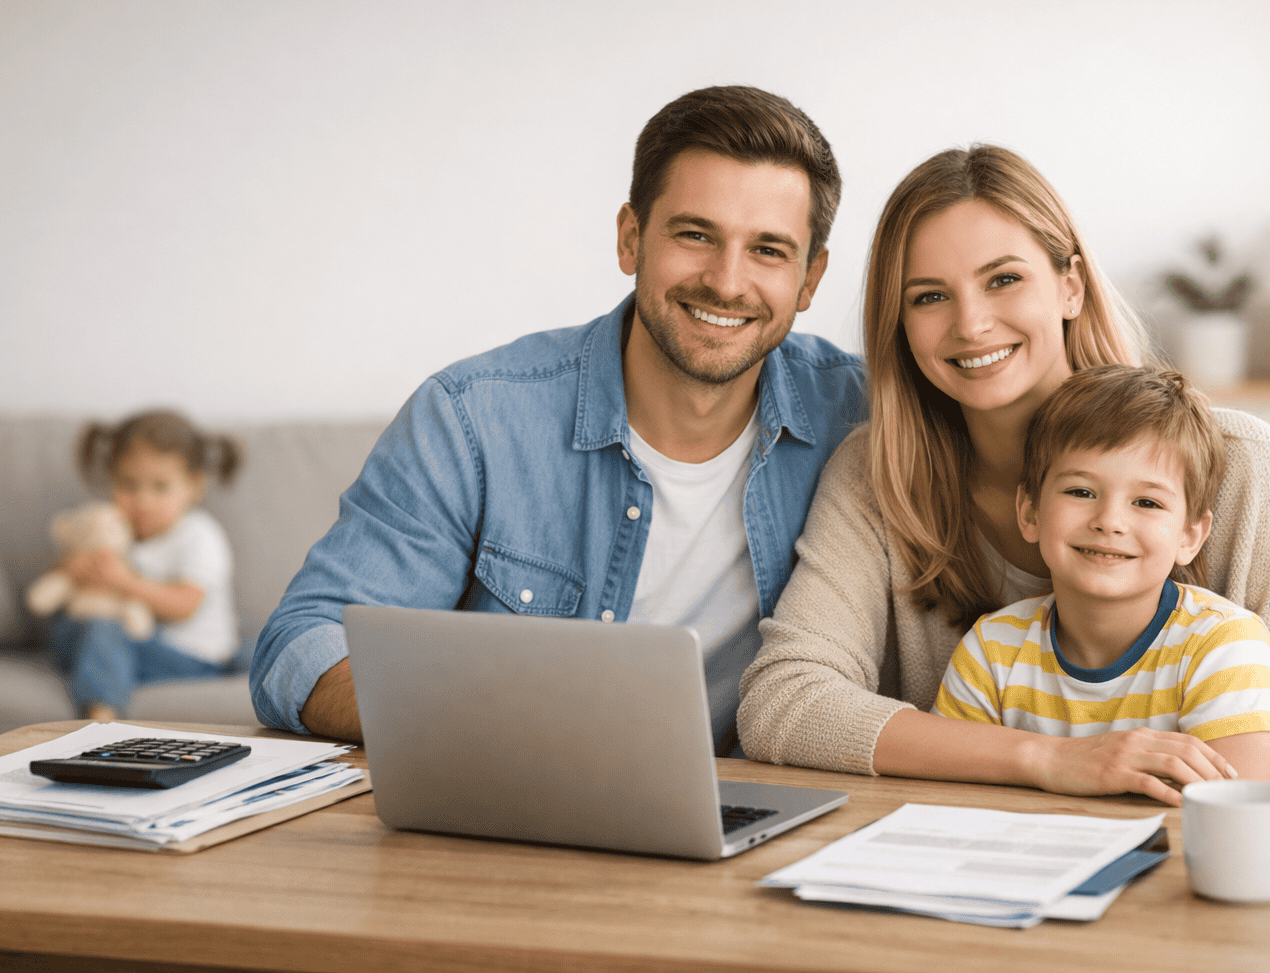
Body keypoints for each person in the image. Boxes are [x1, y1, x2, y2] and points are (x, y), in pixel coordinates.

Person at [738, 144, 1270, 803]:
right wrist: (1053, 759)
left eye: (1003, 280)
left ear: (1070, 286)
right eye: (930, 296)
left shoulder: (1239, 463)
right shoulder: (873, 476)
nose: (971, 324)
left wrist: (1149, 763)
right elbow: (784, 701)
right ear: (901, 324)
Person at [250, 86, 866, 752]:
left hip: (761, 813)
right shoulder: (473, 418)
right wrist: (511, 726)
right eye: (695, 235)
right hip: (519, 800)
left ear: (810, 280)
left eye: (768, 251)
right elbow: (304, 647)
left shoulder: (864, 419)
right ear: (631, 239)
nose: (725, 281)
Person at [933, 365, 1270, 782]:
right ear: (1029, 512)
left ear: (1190, 535)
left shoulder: (1227, 649)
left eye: (1147, 502)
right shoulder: (989, 653)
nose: (1110, 521)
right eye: (1081, 492)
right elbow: (953, 805)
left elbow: (1231, 819)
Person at [47, 409, 242, 720]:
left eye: (160, 487)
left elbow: (184, 606)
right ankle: (99, 663)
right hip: (131, 643)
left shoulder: (199, 535)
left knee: (102, 631)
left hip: (192, 658)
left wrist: (123, 583)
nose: (142, 501)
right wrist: (75, 569)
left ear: (193, 487)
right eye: (128, 485)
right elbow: (65, 586)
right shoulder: (112, 529)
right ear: (111, 479)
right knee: (69, 624)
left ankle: (101, 718)